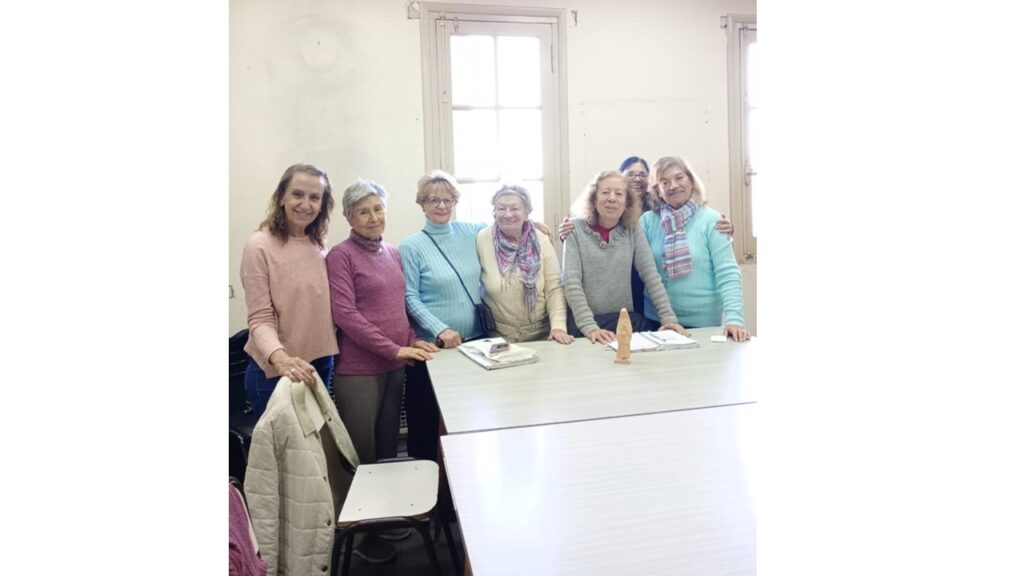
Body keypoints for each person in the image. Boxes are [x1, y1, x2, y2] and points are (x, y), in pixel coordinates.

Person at [326, 178, 439, 563]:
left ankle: (384, 519)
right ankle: (361, 537)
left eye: (378, 209)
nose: (373, 217)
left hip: (395, 365)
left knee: (387, 450)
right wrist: (394, 348)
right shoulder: (340, 256)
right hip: (359, 371)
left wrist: (413, 339)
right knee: (362, 456)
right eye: (363, 211)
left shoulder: (391, 252)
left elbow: (397, 308)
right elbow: (346, 315)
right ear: (349, 217)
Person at [561, 156, 735, 313]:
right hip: (632, 300)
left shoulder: (651, 212)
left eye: (642, 174)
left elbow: (650, 272)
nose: (637, 179)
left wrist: (726, 232)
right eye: (630, 174)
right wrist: (569, 234)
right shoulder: (646, 218)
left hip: (669, 307)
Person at [399, 170, 488, 462]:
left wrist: (533, 224)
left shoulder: (471, 232)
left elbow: (506, 224)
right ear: (422, 204)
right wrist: (440, 329)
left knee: (469, 421)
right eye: (433, 200)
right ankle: (427, 481)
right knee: (428, 426)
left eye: (448, 199)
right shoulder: (411, 245)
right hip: (434, 350)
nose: (441, 205)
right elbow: (409, 296)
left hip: (474, 345)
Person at [240, 163, 339, 417]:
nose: (305, 204)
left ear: (322, 205)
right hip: (276, 372)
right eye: (297, 194)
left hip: (320, 362)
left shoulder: (317, 242)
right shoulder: (259, 246)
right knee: (285, 445)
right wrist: (281, 359)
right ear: (281, 196)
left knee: (319, 439)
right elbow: (259, 318)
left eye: (314, 197)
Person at [562, 170, 688, 345]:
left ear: (627, 203)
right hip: (583, 325)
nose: (612, 198)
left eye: (619, 194)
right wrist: (590, 327)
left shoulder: (633, 228)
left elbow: (650, 275)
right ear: (593, 200)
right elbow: (571, 282)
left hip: (623, 322)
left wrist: (668, 319)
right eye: (605, 192)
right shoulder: (573, 229)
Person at [641, 156, 749, 341]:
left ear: (691, 180)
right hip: (658, 321)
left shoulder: (712, 220)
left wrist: (734, 319)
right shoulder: (648, 221)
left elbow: (728, 273)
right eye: (664, 182)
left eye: (679, 177)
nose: (673, 186)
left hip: (703, 324)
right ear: (657, 191)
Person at [477, 185, 574, 344]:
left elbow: (554, 288)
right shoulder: (482, 239)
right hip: (497, 339)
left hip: (543, 336)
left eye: (515, 208)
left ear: (527, 211)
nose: (508, 214)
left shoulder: (541, 239)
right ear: (494, 212)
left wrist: (558, 327)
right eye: (501, 208)